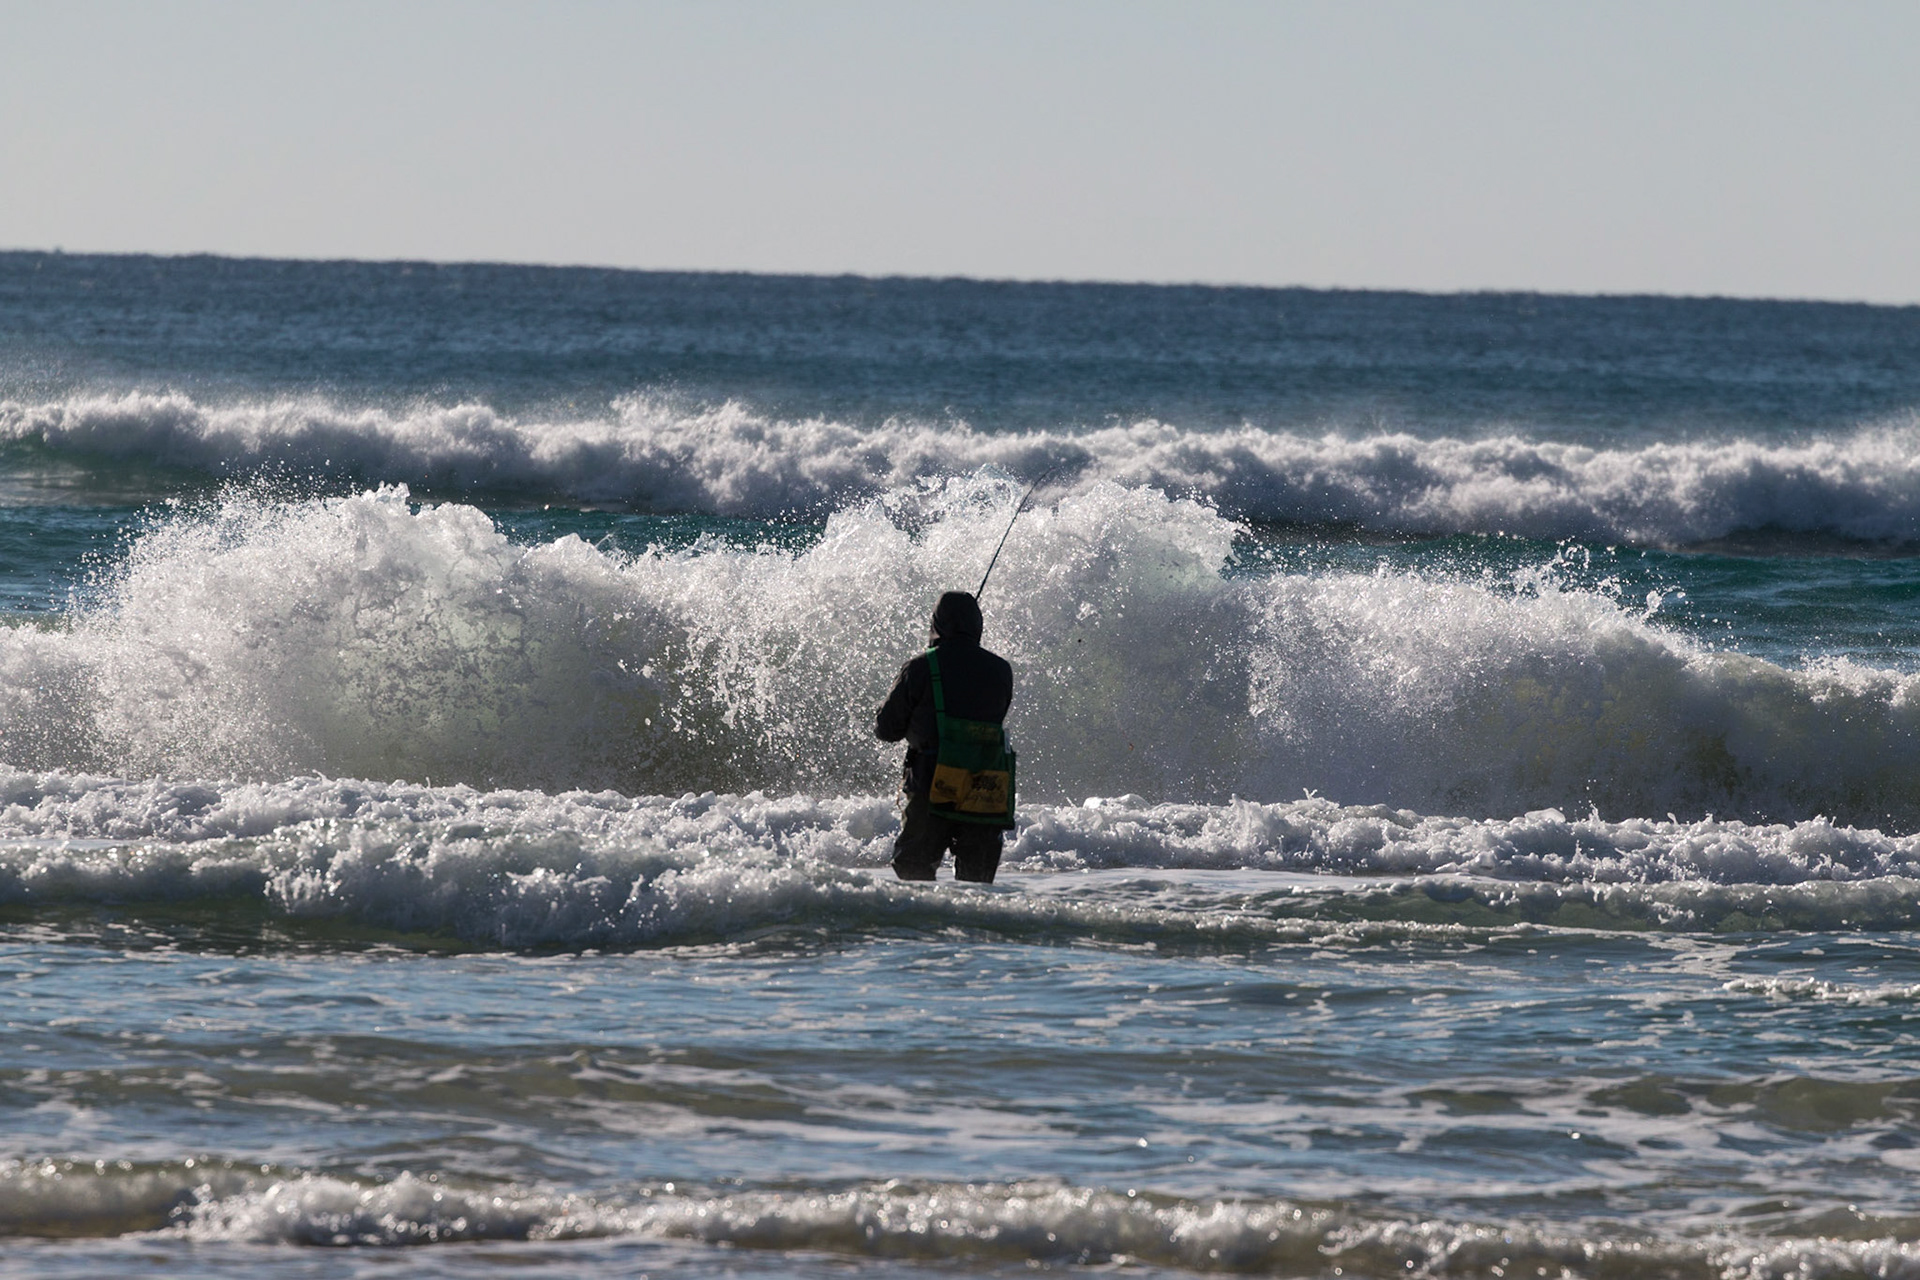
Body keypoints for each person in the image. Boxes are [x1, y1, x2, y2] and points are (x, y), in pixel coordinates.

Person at [875, 591, 1014, 883]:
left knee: (914, 872)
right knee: (977, 882)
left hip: (931, 782)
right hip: (985, 786)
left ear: (938, 623)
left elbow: (887, 730)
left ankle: (927, 930)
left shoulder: (920, 667)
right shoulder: (1001, 670)